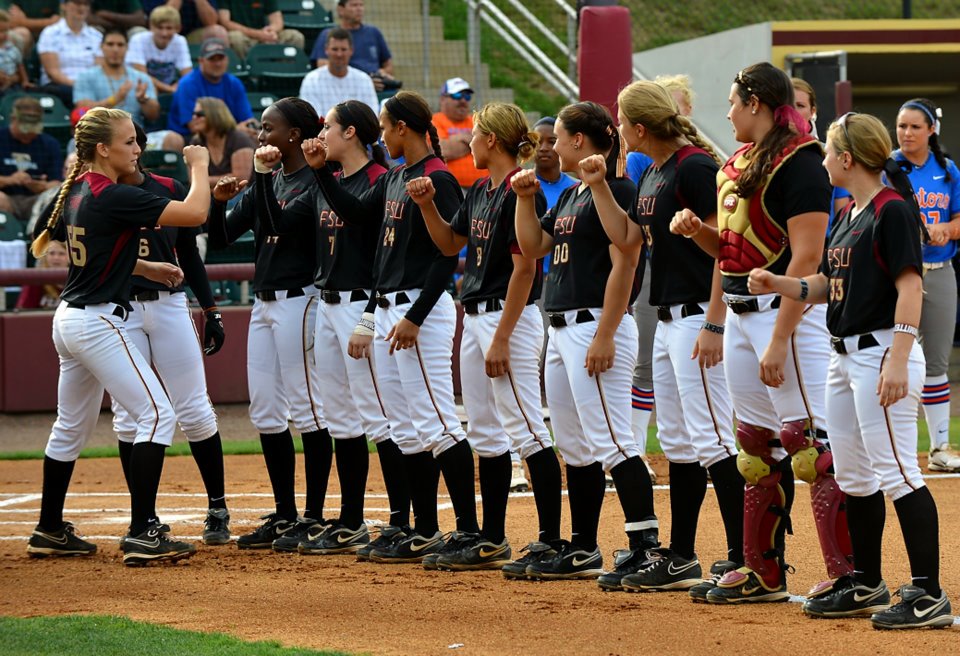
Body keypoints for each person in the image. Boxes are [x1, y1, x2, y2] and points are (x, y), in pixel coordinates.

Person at [749, 111, 954, 629]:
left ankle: (929, 593)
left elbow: (911, 286)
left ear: (847, 157)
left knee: (898, 471)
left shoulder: (892, 210)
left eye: (828, 151)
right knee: (856, 476)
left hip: (882, 349)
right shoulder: (851, 213)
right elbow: (825, 285)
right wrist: (779, 285)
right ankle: (865, 580)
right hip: (844, 355)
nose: (822, 160)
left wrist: (901, 359)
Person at [670, 62, 853, 603]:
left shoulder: (801, 164)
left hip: (784, 315)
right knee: (754, 449)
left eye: (732, 102)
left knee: (810, 448)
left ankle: (849, 576)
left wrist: (779, 337)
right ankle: (762, 572)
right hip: (742, 315)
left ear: (756, 103)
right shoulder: (737, 164)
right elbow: (729, 253)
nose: (726, 113)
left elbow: (807, 256)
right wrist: (698, 231)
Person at [24, 106, 211, 565]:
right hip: (98, 320)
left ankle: (49, 528)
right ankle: (145, 530)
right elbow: (195, 211)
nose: (137, 148)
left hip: (70, 317)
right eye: (128, 142)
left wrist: (145, 265)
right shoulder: (112, 194)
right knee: (155, 416)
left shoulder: (78, 189)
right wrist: (199, 165)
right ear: (103, 149)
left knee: (71, 427)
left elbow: (92, 251)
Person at [582, 80, 744, 594]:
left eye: (622, 123)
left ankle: (747, 557)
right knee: (678, 440)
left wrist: (716, 322)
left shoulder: (695, 166)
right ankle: (681, 554)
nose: (619, 133)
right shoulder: (653, 171)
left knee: (715, 438)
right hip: (670, 319)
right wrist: (600, 186)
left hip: (700, 317)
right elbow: (628, 239)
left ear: (639, 126)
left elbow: (726, 250)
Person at [303, 90, 478, 565]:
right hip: (388, 310)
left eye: (385, 125)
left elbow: (448, 258)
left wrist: (415, 317)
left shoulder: (438, 177)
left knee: (438, 423)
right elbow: (356, 216)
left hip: (420, 311)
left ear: (404, 126)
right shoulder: (398, 176)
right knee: (405, 428)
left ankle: (470, 531)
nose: (382, 134)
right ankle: (421, 529)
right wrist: (320, 171)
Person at [406, 102, 564, 573]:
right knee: (487, 432)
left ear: (491, 140)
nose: (469, 142)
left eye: (475, 135)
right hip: (473, 314)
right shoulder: (478, 191)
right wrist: (427, 205)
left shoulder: (522, 190)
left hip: (504, 319)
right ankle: (491, 538)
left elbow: (524, 268)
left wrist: (501, 338)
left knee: (529, 429)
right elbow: (449, 244)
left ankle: (551, 540)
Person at [513, 101, 660, 582]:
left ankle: (645, 547)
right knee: (575, 446)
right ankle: (582, 547)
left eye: (556, 137)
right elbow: (534, 247)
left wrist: (606, 334)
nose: (550, 146)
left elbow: (627, 262)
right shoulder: (573, 193)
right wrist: (524, 199)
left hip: (594, 324)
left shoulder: (618, 190)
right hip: (560, 327)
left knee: (615, 441)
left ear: (580, 141)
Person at [256, 100, 408, 558]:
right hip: (326, 304)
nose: (321, 135)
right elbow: (276, 224)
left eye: (329, 128)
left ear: (353, 135)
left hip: (362, 305)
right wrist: (263, 178)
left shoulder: (381, 181)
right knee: (341, 417)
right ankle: (351, 520)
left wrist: (369, 317)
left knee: (379, 416)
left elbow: (359, 218)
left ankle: (401, 521)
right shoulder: (331, 180)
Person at [207, 97, 331, 552]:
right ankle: (285, 514)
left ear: (294, 134)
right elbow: (219, 238)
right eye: (261, 128)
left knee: (307, 408)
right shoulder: (272, 178)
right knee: (264, 410)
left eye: (269, 128)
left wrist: (258, 180)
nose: (261, 136)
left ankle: (314, 517)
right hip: (265, 303)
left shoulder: (316, 181)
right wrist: (219, 205)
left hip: (302, 299)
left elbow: (279, 225)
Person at [106, 122, 230, 546]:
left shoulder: (167, 186)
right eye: (127, 141)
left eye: (136, 141)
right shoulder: (99, 194)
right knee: (129, 417)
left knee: (195, 409)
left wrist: (211, 309)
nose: (134, 148)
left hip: (170, 304)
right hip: (120, 309)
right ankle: (145, 518)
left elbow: (190, 257)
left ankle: (217, 506)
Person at [893, 98, 960, 473]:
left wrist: (946, 230)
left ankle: (938, 448)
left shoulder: (947, 171)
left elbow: (959, 220)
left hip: (939, 267)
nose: (906, 133)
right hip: (895, 274)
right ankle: (890, 445)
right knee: (886, 357)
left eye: (915, 127)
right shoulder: (887, 167)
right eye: (901, 126)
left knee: (935, 362)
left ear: (931, 130)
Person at [163, 37, 255, 152]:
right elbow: (195, 126)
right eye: (212, 59)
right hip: (190, 138)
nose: (217, 64)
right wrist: (235, 129)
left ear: (227, 59)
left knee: (254, 135)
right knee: (173, 139)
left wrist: (250, 128)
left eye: (220, 58)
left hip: (226, 136)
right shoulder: (188, 84)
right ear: (201, 61)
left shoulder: (234, 83)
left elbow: (247, 119)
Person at [791, 77, 850, 228]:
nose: (794, 112)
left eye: (800, 105)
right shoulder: (766, 154)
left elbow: (841, 213)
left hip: (824, 244)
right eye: (788, 105)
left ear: (812, 111)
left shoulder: (828, 154)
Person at [73, 28, 160, 126]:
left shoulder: (142, 78)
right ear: (101, 47)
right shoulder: (86, 77)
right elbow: (83, 112)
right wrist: (115, 99)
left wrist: (144, 100)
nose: (115, 49)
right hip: (99, 136)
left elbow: (154, 116)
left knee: (172, 138)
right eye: (110, 44)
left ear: (127, 48)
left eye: (120, 45)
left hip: (136, 136)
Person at [0, 96, 63, 223]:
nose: (28, 134)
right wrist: (10, 180)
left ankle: (38, 239)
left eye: (32, 130)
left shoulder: (50, 144)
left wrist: (43, 186)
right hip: (6, 196)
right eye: (24, 130)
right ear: (13, 119)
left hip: (36, 199)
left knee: (54, 198)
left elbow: (57, 183)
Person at [311, 0, 394, 91]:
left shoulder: (374, 32)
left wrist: (383, 73)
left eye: (361, 5)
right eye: (354, 5)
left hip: (379, 87)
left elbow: (388, 65)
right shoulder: (328, 34)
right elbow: (324, 67)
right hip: (346, 88)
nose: (359, 9)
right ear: (340, 9)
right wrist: (364, 83)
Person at [298, 28, 378, 120]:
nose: (339, 54)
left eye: (343, 49)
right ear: (326, 50)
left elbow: (372, 117)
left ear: (351, 51)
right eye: (335, 49)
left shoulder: (364, 80)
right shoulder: (311, 80)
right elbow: (313, 119)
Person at [36, 0, 103, 106]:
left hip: (90, 88)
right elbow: (53, 73)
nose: (81, 8)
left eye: (85, 4)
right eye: (77, 3)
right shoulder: (50, 33)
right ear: (63, 6)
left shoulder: (96, 36)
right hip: (60, 87)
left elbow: (99, 69)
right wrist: (79, 86)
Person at [188, 96, 254, 190]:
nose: (194, 117)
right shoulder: (196, 142)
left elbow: (240, 180)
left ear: (215, 115)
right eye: (193, 113)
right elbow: (193, 180)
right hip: (212, 193)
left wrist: (204, 180)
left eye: (200, 114)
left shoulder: (239, 139)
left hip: (240, 194)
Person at [432, 77, 487, 190]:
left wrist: (456, 140)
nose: (463, 100)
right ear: (443, 99)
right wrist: (474, 140)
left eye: (466, 96)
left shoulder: (477, 121)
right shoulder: (435, 121)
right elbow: (442, 150)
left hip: (484, 187)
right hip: (452, 188)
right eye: (457, 95)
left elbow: (489, 149)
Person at [126, 5, 193, 95]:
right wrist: (169, 89)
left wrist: (178, 86)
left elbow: (187, 74)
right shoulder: (138, 40)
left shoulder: (180, 41)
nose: (164, 33)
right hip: (138, 86)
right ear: (151, 26)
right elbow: (142, 76)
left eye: (169, 28)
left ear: (178, 28)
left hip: (168, 86)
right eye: (160, 28)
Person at [216, 0, 303, 60]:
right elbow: (225, 21)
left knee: (295, 37)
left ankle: (284, 73)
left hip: (264, 35)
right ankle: (247, 74)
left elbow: (277, 19)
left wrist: (271, 31)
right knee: (235, 37)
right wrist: (257, 34)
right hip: (244, 36)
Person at [140, 0, 225, 44]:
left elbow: (212, 22)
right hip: (163, 34)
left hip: (192, 36)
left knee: (217, 31)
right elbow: (161, 20)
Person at [15, 238, 66, 309]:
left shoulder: (77, 279)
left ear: (69, 257)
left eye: (61, 254)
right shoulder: (35, 279)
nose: (56, 257)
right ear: (45, 256)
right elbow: (23, 312)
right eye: (51, 253)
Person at [0, 9, 30, 95]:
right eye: (0, 31)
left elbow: (20, 66)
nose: (4, 34)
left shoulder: (12, 48)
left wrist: (25, 81)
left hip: (12, 83)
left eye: (6, 31)